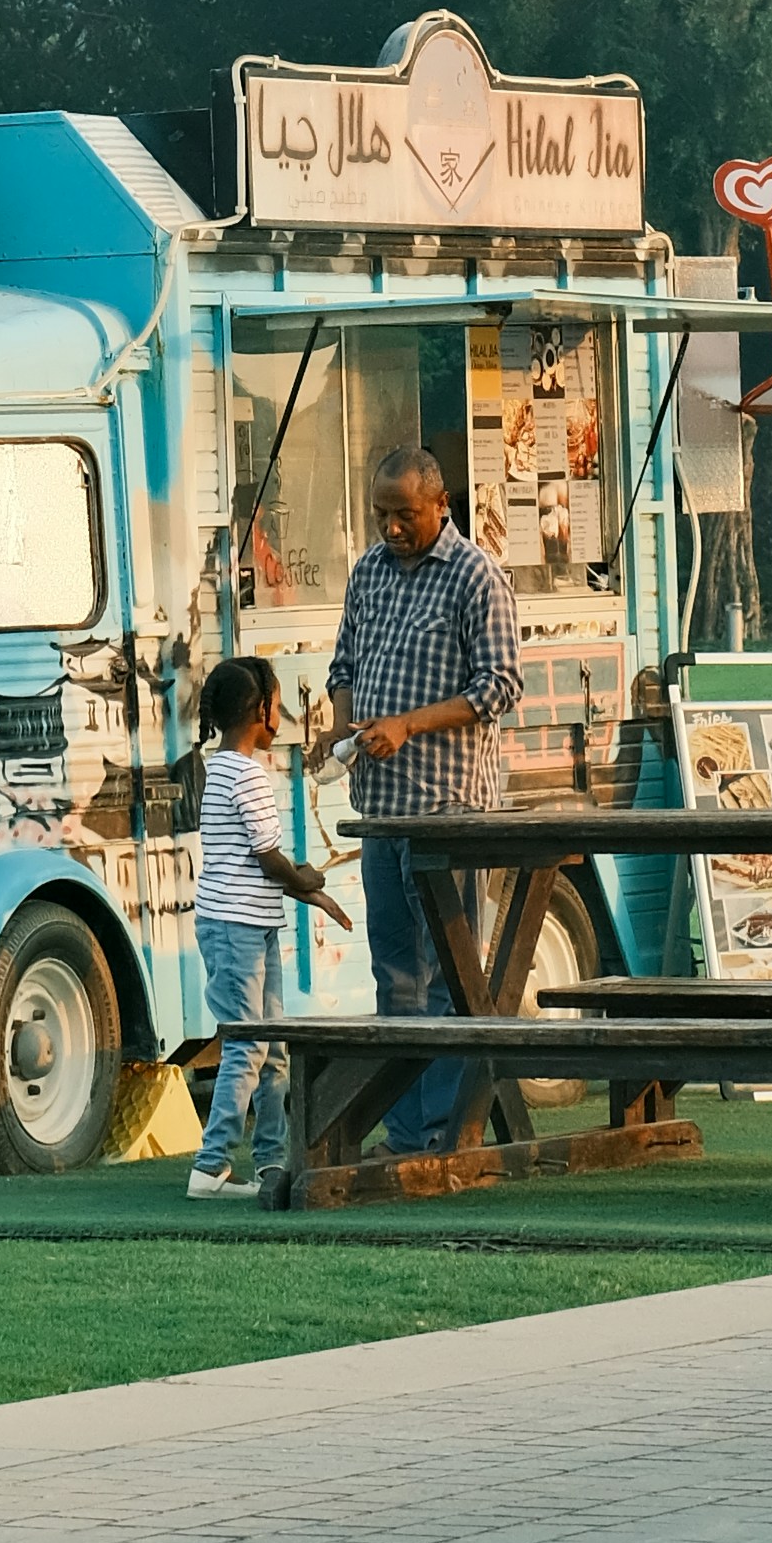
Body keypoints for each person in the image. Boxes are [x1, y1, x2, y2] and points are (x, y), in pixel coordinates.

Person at [316, 441, 521, 1159]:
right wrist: (342, 726)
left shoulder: (476, 576)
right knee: (395, 975)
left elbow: (499, 687)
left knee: (448, 979)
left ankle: (445, 1133)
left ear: (441, 505)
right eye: (381, 514)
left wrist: (409, 724)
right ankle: (404, 1133)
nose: (392, 527)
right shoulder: (368, 572)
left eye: (405, 513)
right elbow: (344, 664)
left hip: (448, 812)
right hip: (381, 810)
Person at [181, 650, 336, 1201]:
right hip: (238, 930)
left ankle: (272, 1162)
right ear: (262, 711)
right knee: (250, 1045)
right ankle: (210, 1167)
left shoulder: (218, 766)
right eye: (278, 705)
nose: (281, 717)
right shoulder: (247, 775)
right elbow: (268, 857)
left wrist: (301, 887)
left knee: (271, 1048)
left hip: (241, 923)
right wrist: (307, 879)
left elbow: (251, 861)